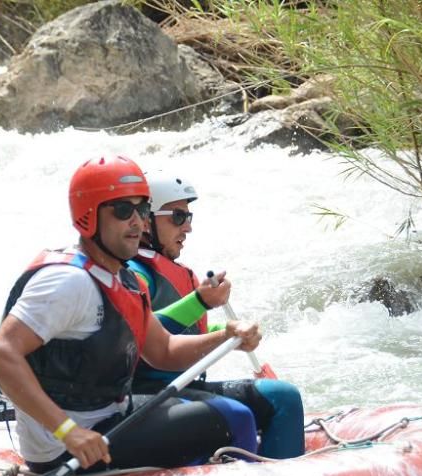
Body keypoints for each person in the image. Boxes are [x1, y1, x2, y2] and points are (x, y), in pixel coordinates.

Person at [0, 155, 263, 473]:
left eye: (142, 209)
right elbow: (0, 355)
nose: (138, 222)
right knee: (234, 418)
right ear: (88, 216)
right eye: (122, 210)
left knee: (235, 410)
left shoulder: (124, 278)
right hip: (66, 447)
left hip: (110, 419)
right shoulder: (68, 281)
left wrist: (226, 338)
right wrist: (68, 431)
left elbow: (163, 352)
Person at [127, 170, 305, 459]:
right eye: (177, 217)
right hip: (147, 395)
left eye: (188, 217)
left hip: (183, 388)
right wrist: (199, 302)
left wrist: (231, 334)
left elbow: (187, 335)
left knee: (283, 396)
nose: (187, 228)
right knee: (236, 415)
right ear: (146, 219)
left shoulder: (178, 273)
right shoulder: (133, 275)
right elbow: (144, 336)